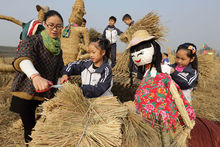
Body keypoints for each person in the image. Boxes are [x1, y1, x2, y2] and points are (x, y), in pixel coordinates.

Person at [10, 10, 64, 144]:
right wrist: (35, 76)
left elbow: (59, 69)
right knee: (30, 128)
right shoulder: (33, 40)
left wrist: (62, 78)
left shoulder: (58, 49)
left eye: (58, 26)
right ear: (44, 24)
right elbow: (23, 58)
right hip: (27, 91)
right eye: (51, 25)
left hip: (45, 93)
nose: (55, 29)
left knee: (44, 127)